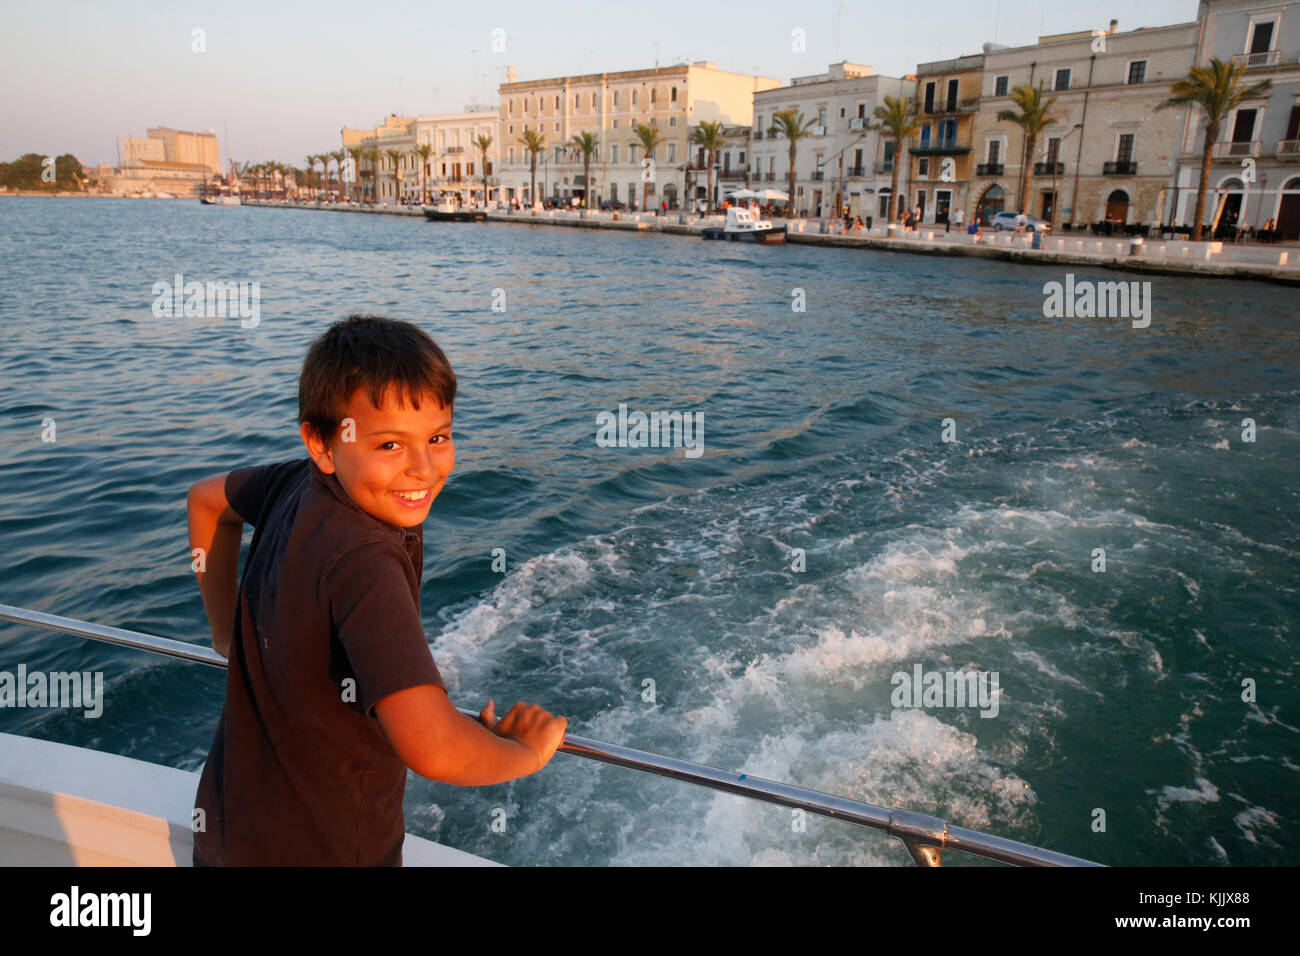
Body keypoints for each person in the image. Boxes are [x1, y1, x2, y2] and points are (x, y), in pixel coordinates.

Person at [188, 315, 567, 866]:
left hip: (226, 837)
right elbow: (433, 748)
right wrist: (525, 753)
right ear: (321, 442)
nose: (422, 469)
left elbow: (206, 502)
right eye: (390, 444)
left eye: (438, 437)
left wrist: (226, 634)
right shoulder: (364, 560)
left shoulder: (299, 481)